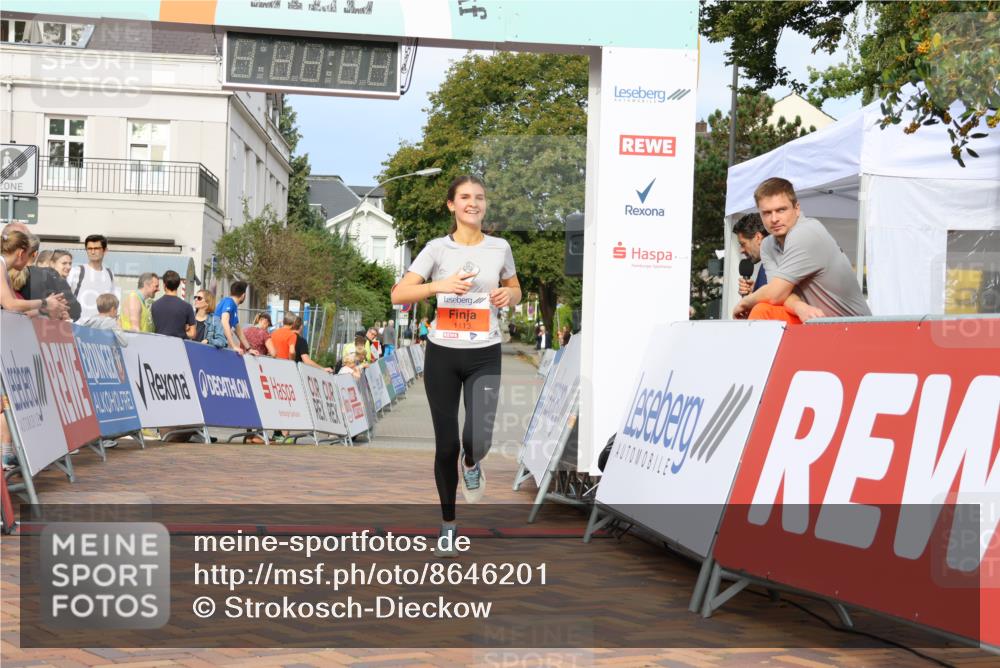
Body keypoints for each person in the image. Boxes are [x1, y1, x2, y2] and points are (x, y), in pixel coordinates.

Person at [391, 174, 521, 557]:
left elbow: (516, 289)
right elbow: (399, 293)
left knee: (477, 438)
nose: (473, 203)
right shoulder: (436, 249)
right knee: (445, 443)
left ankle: (472, 461)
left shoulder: (500, 248)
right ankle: (448, 524)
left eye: (479, 197)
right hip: (443, 353)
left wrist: (507, 295)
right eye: (465, 197)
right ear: (452, 205)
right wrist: (438, 286)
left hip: (485, 350)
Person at [733, 177, 872, 323]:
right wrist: (799, 306)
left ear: (797, 209)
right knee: (765, 309)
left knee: (762, 310)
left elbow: (775, 294)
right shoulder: (767, 245)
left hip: (856, 329)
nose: (774, 219)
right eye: (767, 213)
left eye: (781, 210)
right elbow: (780, 295)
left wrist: (745, 301)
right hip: (818, 325)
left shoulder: (806, 232)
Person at [67, 234, 116, 322]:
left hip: (101, 327)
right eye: (89, 249)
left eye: (96, 248)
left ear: (105, 250)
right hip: (78, 326)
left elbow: (113, 302)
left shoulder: (109, 273)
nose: (92, 252)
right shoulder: (77, 271)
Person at [151, 270, 196, 339]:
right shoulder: (187, 307)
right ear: (178, 285)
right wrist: (181, 333)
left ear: (164, 285)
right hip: (179, 346)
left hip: (160, 345)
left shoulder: (154, 305)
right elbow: (193, 334)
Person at [733, 212, 770, 296]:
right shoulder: (766, 264)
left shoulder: (773, 264)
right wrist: (754, 293)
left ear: (758, 238)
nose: (741, 250)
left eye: (743, 244)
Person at [215, 280, 256, 354]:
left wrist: (249, 349)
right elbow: (224, 321)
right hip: (214, 344)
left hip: (219, 344)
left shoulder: (233, 306)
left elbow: (239, 331)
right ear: (243, 295)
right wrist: (233, 346)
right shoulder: (229, 302)